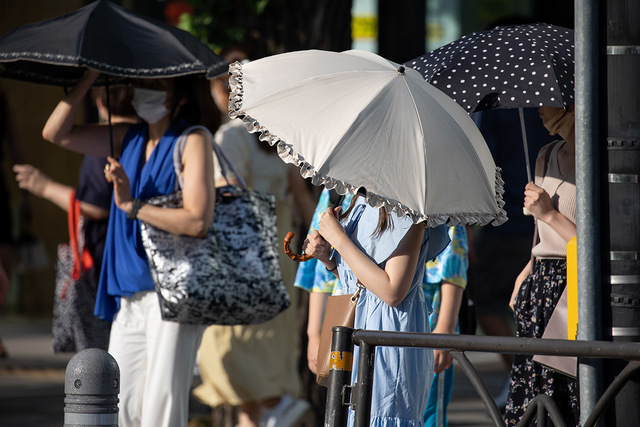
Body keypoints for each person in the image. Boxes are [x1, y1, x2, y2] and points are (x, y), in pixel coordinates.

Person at [41, 69, 218, 427]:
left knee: (160, 411)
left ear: (180, 96)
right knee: (119, 410)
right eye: (143, 84)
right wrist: (90, 78)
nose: (144, 92)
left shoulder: (192, 139)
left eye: (157, 85)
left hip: (170, 293)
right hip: (128, 294)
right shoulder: (128, 136)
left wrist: (131, 205)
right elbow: (54, 133)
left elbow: (198, 221)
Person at [193, 45, 314, 427]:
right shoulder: (274, 135)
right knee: (265, 350)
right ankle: (273, 411)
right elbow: (303, 199)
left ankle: (279, 409)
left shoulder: (230, 136)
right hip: (279, 259)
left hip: (241, 260)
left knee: (222, 349)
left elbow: (228, 197)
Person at [303, 192, 450, 426]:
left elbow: (392, 291)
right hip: (360, 334)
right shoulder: (357, 199)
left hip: (389, 341)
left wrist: (339, 238)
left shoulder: (409, 209)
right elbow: (362, 280)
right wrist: (328, 259)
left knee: (379, 417)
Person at [13, 85, 137, 352]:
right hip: (133, 255)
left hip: (107, 254)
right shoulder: (149, 135)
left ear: (98, 99)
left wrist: (44, 187)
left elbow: (95, 206)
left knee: (104, 352)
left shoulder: (109, 138)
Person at [467, 107, 555, 407]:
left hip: (515, 221)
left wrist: (469, 225)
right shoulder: (529, 101)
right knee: (518, 307)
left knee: (500, 305)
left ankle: (525, 371)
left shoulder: (501, 103)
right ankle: (525, 370)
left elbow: (482, 157)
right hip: (523, 220)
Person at [504, 105, 578, 426]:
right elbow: (540, 234)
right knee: (534, 391)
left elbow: (604, 244)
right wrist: (527, 270)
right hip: (542, 284)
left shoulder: (602, 157)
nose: (538, 109)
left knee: (570, 392)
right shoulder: (545, 154)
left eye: (548, 101)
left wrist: (550, 214)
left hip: (576, 281)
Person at [423, 225, 468, 427]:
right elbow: (320, 274)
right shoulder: (343, 195)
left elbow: (454, 265)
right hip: (369, 328)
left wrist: (444, 330)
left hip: (429, 327)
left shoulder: (441, 198)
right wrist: (315, 331)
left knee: (429, 412)